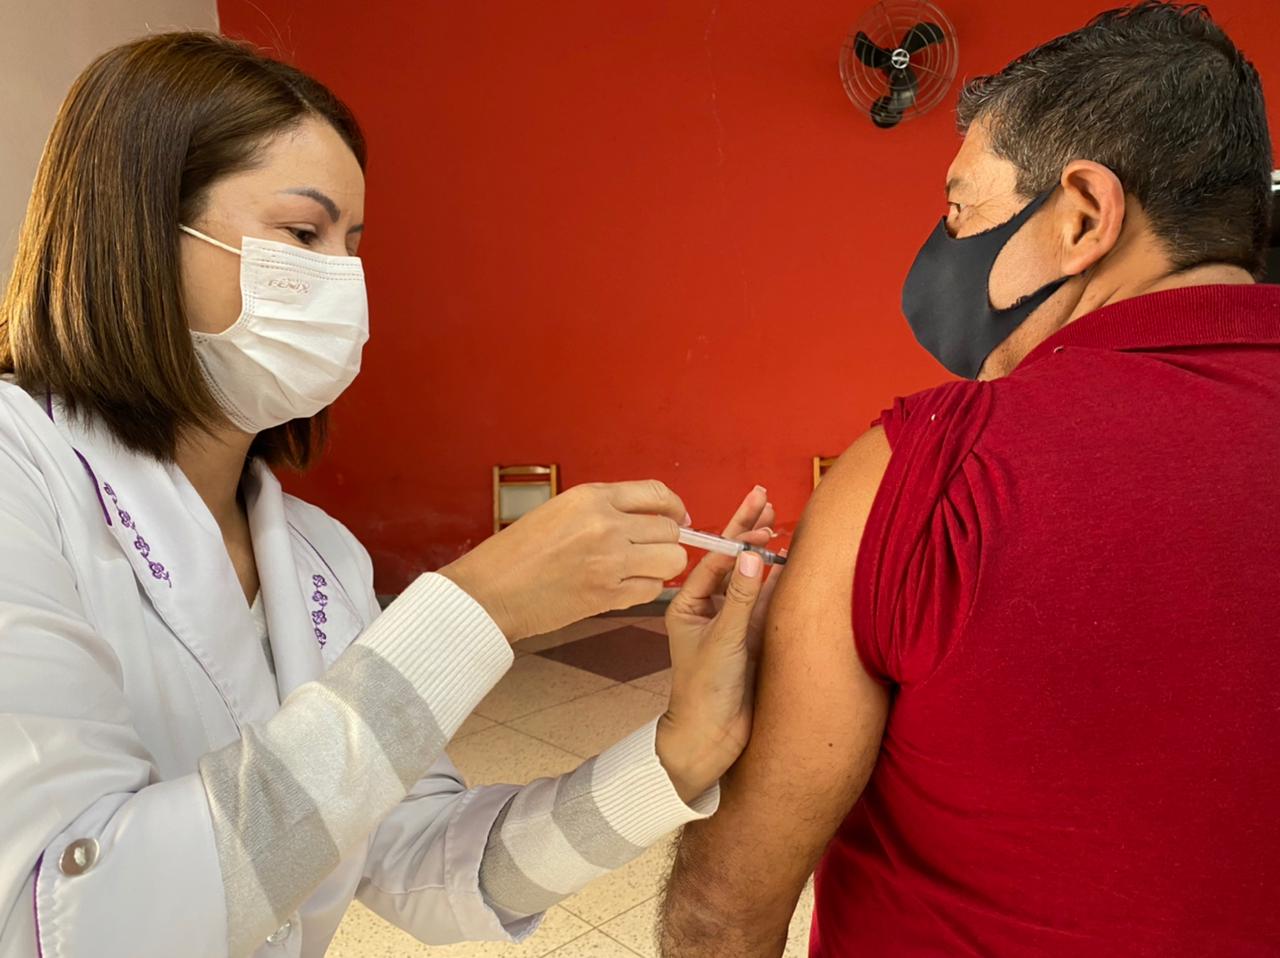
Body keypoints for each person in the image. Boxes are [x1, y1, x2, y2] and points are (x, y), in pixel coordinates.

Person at [0, 33, 783, 958]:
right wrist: (476, 609)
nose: (341, 281)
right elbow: (68, 923)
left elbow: (424, 864)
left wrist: (677, 751)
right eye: (304, 235)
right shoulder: (23, 474)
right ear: (134, 232)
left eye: (352, 246)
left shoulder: (318, 556)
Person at [660, 3, 1280, 956]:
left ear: (1083, 216)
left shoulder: (924, 472)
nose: (944, 245)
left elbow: (728, 909)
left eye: (962, 209)